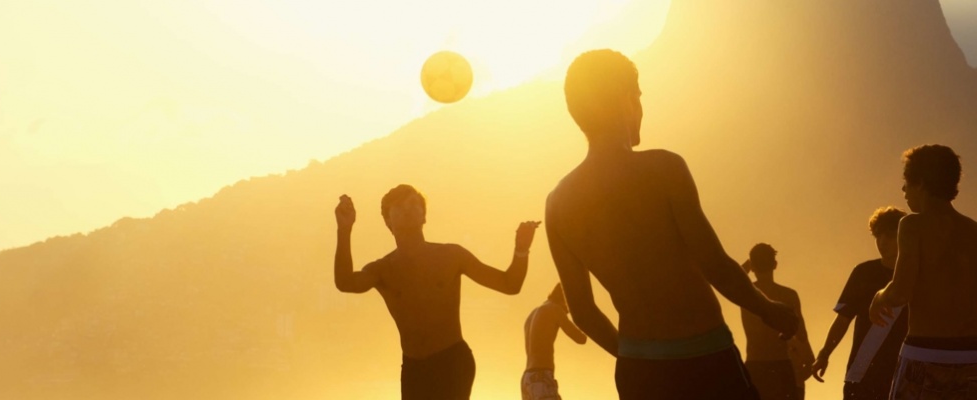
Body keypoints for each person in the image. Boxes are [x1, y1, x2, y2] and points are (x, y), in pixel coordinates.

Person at [543, 49, 801, 400]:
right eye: (639, 96)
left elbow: (584, 312)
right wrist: (769, 310)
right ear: (627, 99)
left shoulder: (559, 203)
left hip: (638, 371)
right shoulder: (663, 169)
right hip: (706, 359)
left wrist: (637, 359)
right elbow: (715, 265)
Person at [332, 186, 538, 399]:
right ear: (387, 221)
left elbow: (509, 284)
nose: (407, 210)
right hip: (413, 366)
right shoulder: (383, 269)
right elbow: (346, 283)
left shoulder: (451, 256)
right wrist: (344, 230)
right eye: (399, 206)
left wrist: (521, 250)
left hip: (452, 360)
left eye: (413, 205)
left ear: (424, 216)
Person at [868, 144, 977, 400]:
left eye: (907, 182)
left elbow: (901, 292)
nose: (903, 190)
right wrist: (974, 322)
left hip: (925, 356)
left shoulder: (913, 225)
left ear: (922, 183)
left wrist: (879, 296)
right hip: (972, 359)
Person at [809, 207, 909, 399]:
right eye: (878, 236)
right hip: (862, 372)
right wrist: (824, 354)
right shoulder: (863, 273)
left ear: (903, 236)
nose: (882, 242)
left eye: (889, 235)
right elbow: (843, 319)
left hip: (906, 373)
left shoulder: (917, 275)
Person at [741, 244, 815, 400]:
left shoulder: (746, 292)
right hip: (781, 367)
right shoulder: (788, 295)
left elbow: (733, 278)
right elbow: (801, 334)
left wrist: (749, 264)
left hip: (755, 367)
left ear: (753, 266)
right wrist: (809, 361)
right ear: (775, 264)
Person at [523, 284, 589, 400]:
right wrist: (588, 322)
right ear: (566, 298)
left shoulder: (533, 313)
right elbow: (580, 338)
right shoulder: (555, 309)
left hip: (527, 379)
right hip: (541, 377)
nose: (568, 312)